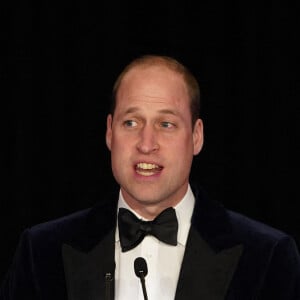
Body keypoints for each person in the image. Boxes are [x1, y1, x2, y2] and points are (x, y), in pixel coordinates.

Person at [1, 54, 300, 300]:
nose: (146, 144)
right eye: (131, 122)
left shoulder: (266, 257)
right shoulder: (40, 252)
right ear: (109, 132)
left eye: (166, 124)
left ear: (196, 137)